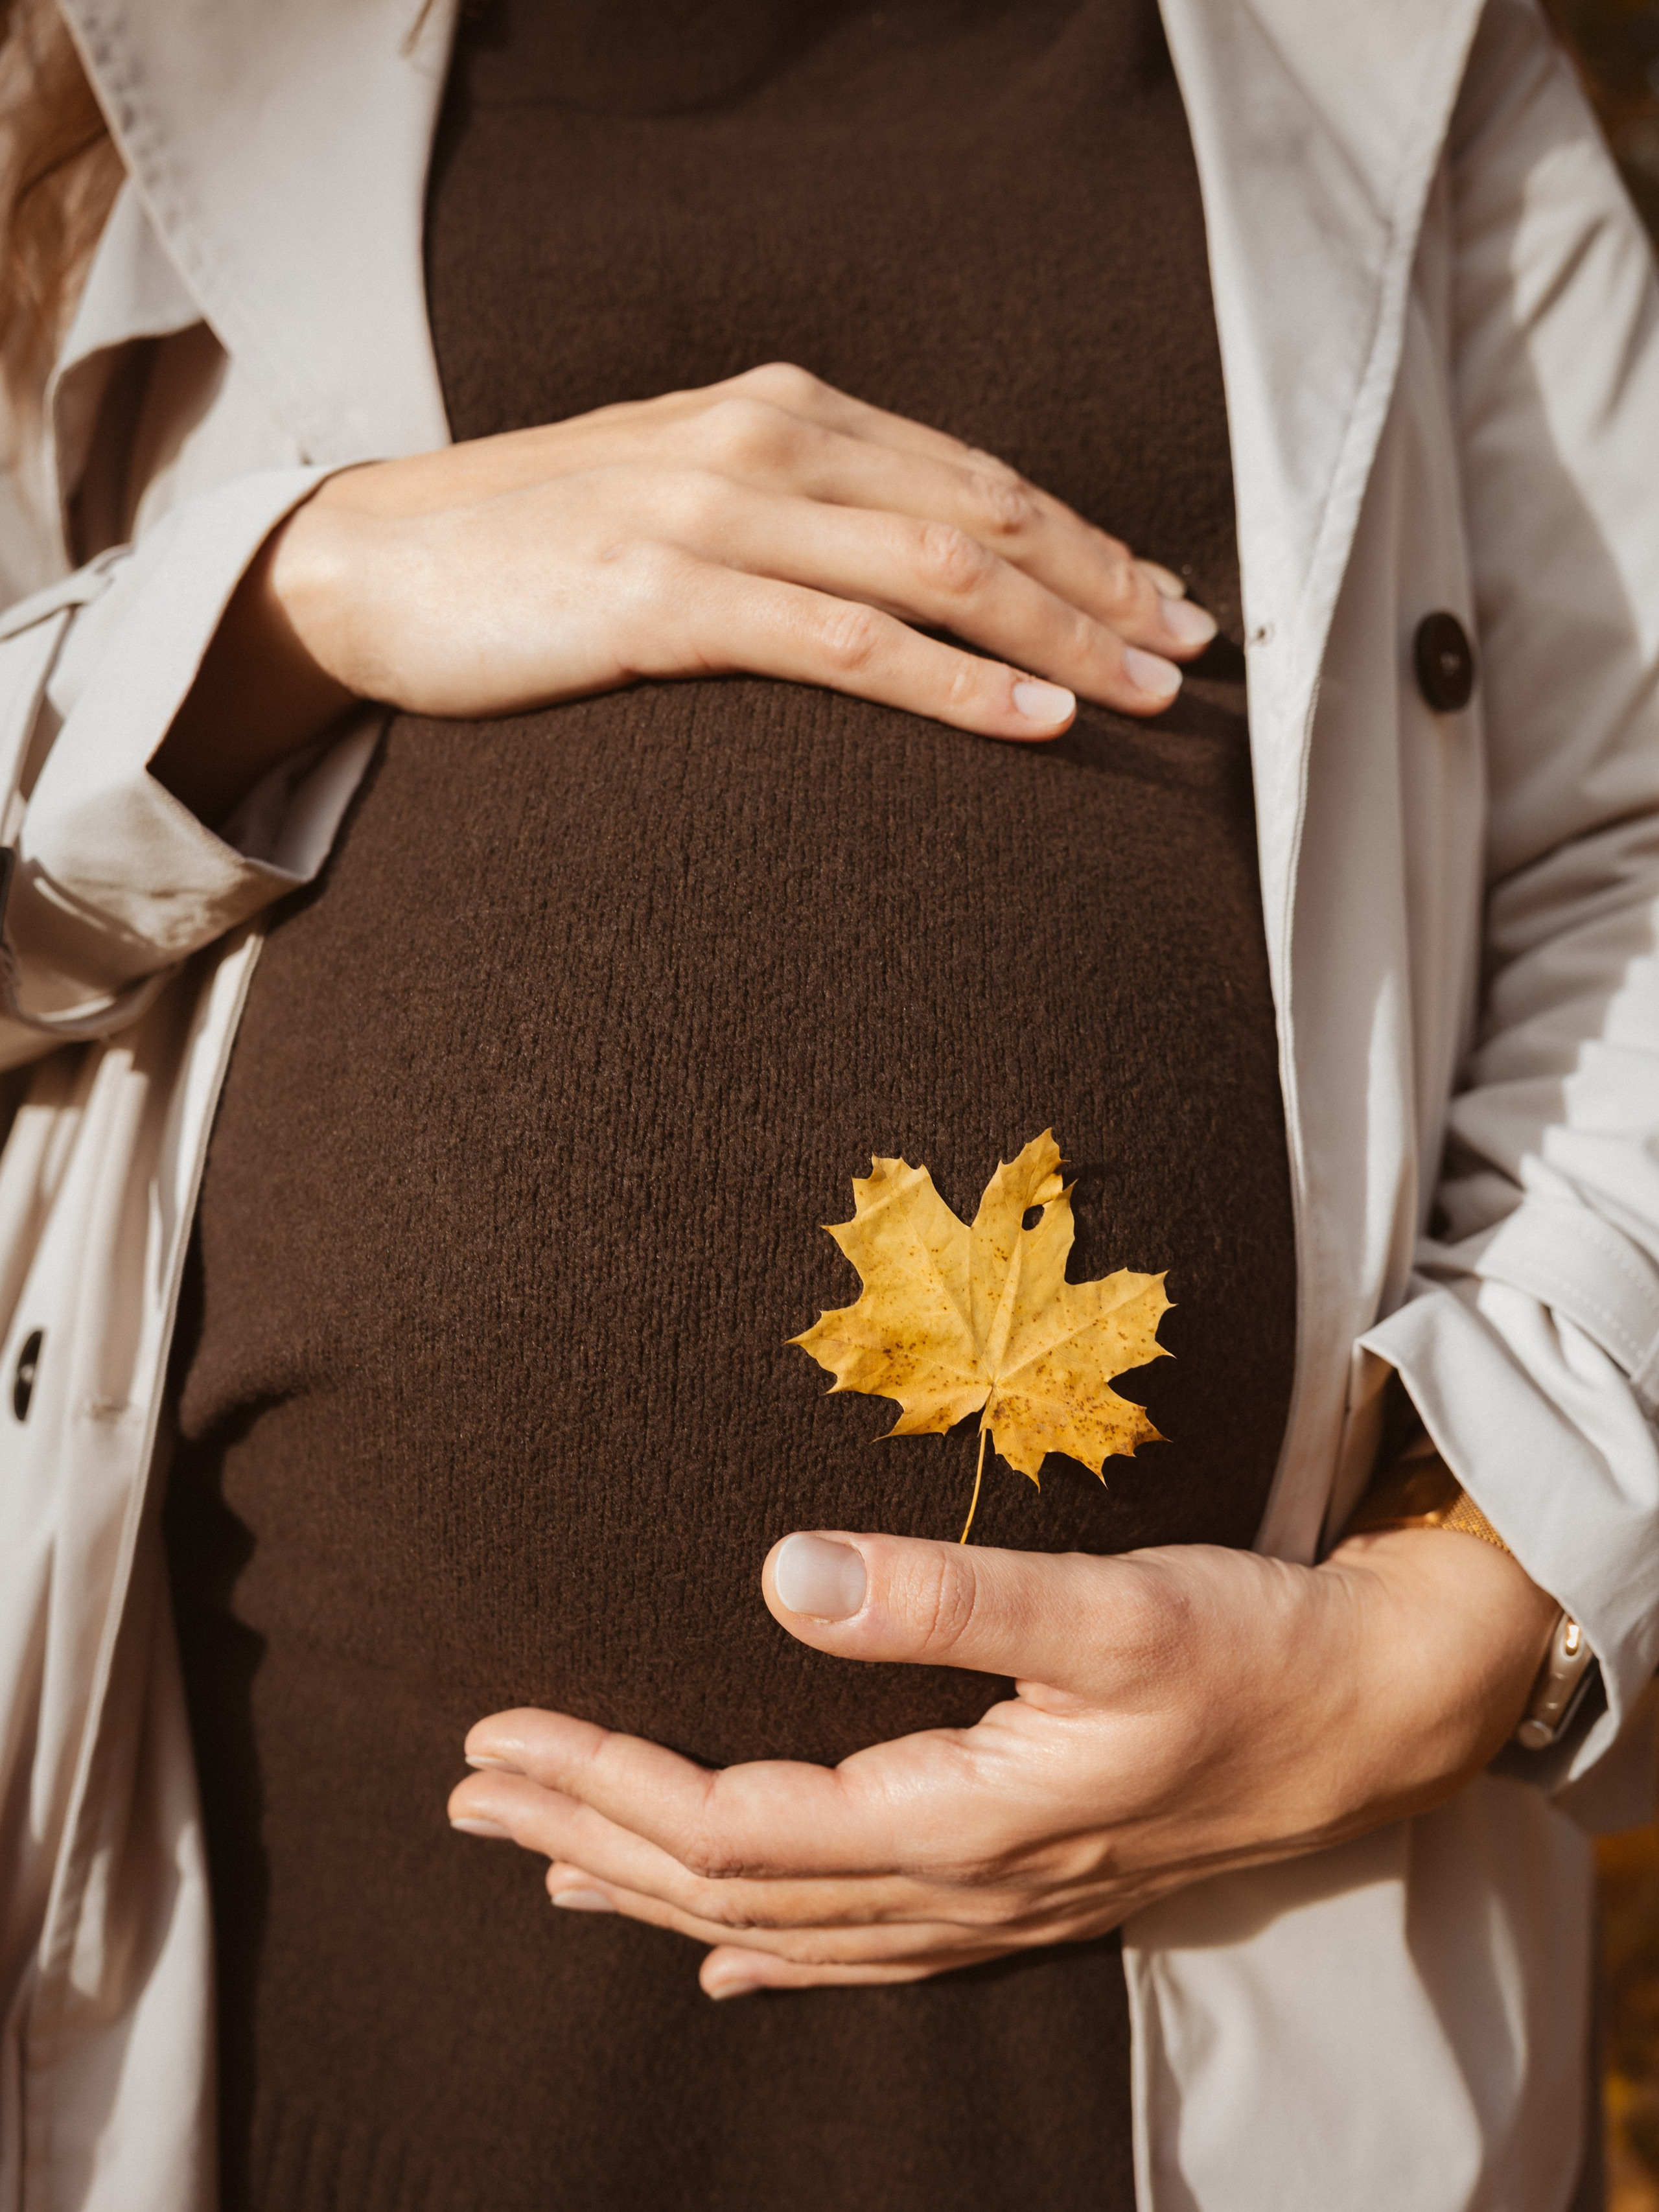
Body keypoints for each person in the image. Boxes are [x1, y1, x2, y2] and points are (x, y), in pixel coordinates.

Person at [1, 0, 1655, 2206]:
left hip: (1201, 1977)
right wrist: (298, 595)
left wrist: (1459, 1614)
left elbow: (1637, 839)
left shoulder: (1401, 51)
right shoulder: (104, 73)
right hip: (303, 1907)